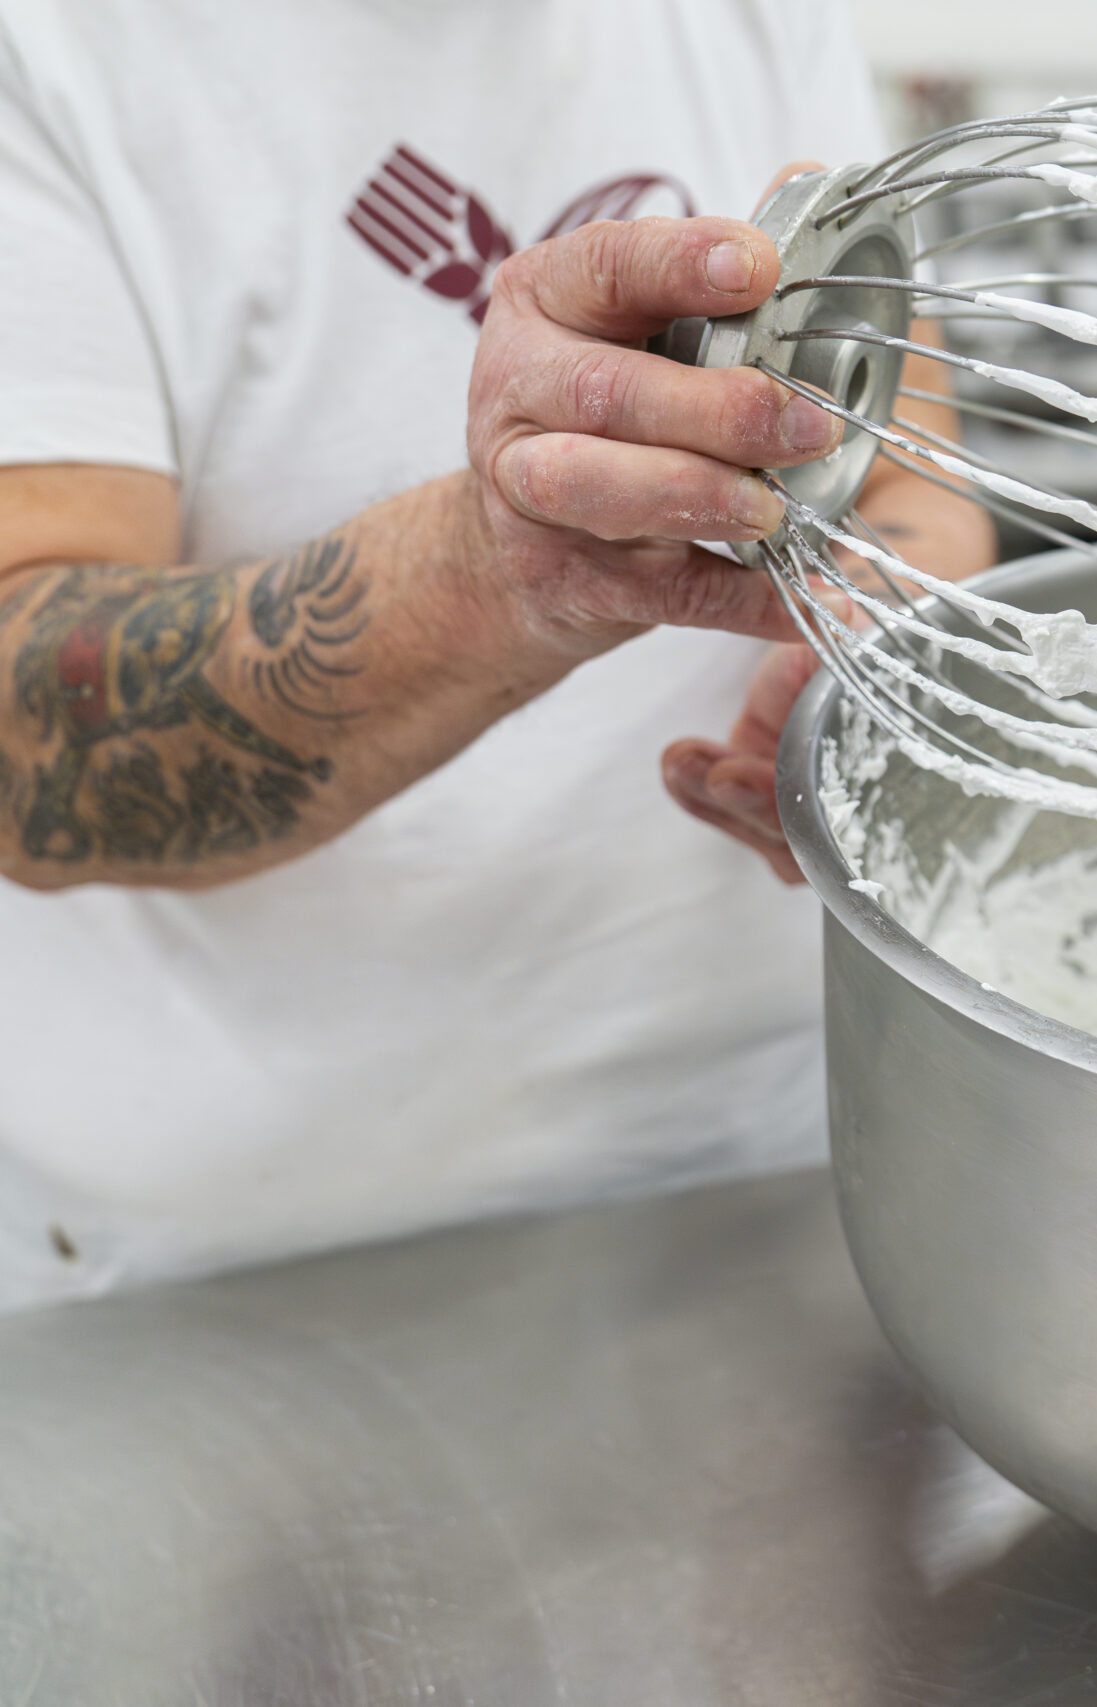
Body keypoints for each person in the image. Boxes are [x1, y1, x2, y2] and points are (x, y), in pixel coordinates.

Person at [0, 0, 994, 1311]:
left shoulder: (761, 20)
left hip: (772, 1174)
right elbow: (24, 740)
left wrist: (853, 656)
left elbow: (911, 478)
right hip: (239, 1271)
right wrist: (491, 570)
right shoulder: (54, 53)